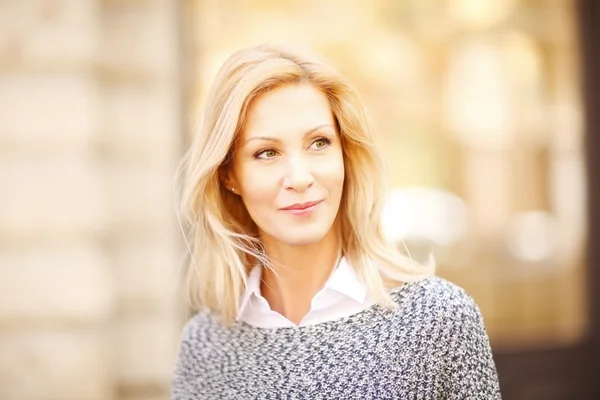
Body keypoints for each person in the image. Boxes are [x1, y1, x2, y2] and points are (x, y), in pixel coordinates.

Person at [171, 43, 501, 399]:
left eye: (319, 143)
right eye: (267, 153)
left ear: (345, 154)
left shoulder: (439, 319)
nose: (299, 177)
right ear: (228, 175)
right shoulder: (205, 345)